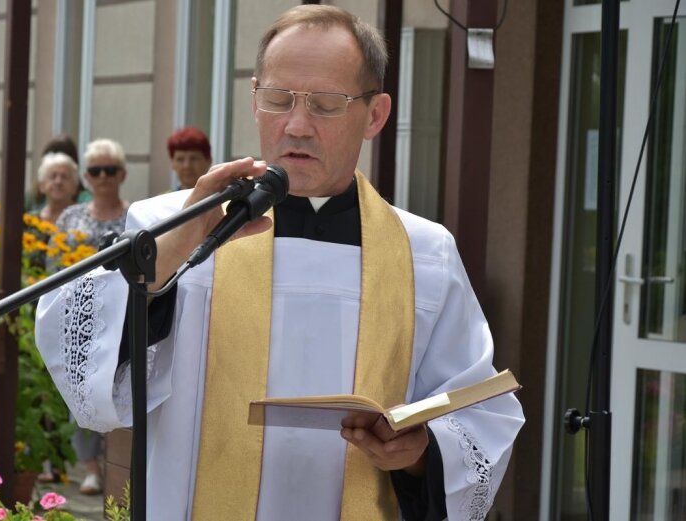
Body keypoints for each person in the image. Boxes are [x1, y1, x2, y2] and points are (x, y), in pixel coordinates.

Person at [35, 5, 524, 519]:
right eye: (277, 99)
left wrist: (423, 453)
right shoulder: (171, 223)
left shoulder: (425, 252)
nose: (297, 125)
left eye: (326, 104)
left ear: (375, 115)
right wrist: (164, 262)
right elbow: (81, 360)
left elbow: (478, 414)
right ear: (254, 101)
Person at [52, 138, 130, 495]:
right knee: (81, 388)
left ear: (122, 174)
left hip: (123, 314)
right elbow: (54, 266)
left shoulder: (135, 215)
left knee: (119, 387)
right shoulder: (71, 216)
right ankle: (89, 468)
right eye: (95, 171)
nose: (102, 177)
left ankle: (117, 464)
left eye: (109, 170)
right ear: (85, 176)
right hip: (79, 312)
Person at [34, 152, 80, 224]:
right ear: (42, 186)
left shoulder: (83, 221)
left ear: (75, 187)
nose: (58, 182)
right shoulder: (31, 221)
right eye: (53, 176)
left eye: (64, 177)